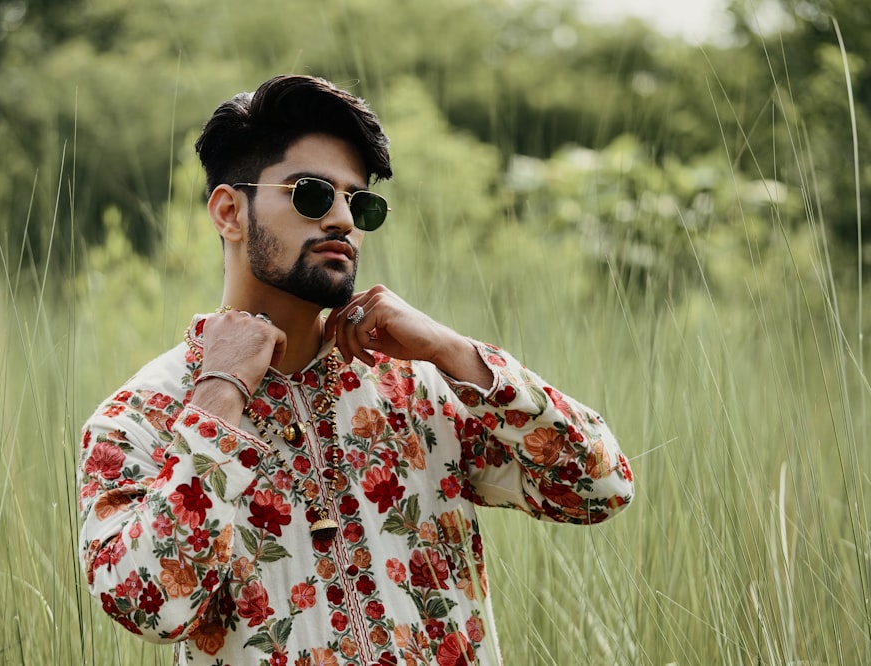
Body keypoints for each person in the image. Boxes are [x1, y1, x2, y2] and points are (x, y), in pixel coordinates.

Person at [78, 74, 634, 666]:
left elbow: (599, 487)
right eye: (313, 194)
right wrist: (219, 395)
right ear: (229, 212)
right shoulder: (139, 418)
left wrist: (454, 353)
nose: (343, 218)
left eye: (358, 202)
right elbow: (148, 606)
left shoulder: (416, 386)